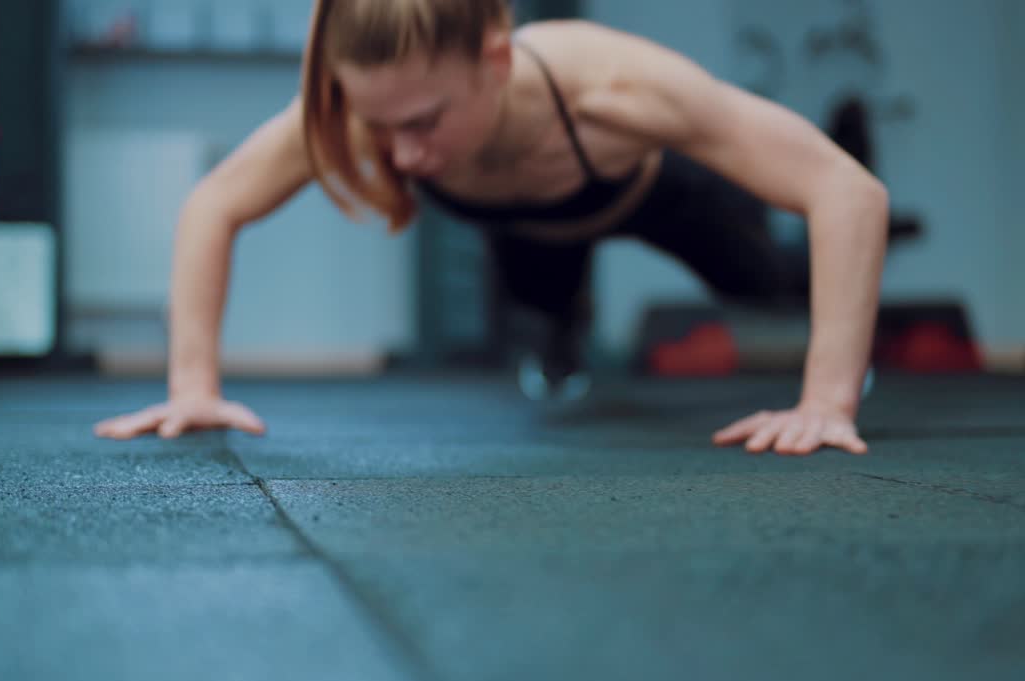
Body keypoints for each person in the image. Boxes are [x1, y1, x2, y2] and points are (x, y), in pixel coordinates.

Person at [95, 0, 889, 457]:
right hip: (525, 227)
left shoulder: (616, 86)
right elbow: (214, 205)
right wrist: (192, 387)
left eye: (423, 121)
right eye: (380, 126)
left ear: (497, 62)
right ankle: (560, 333)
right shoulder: (375, 112)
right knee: (543, 320)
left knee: (761, 282)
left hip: (650, 194)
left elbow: (848, 194)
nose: (401, 153)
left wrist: (826, 400)